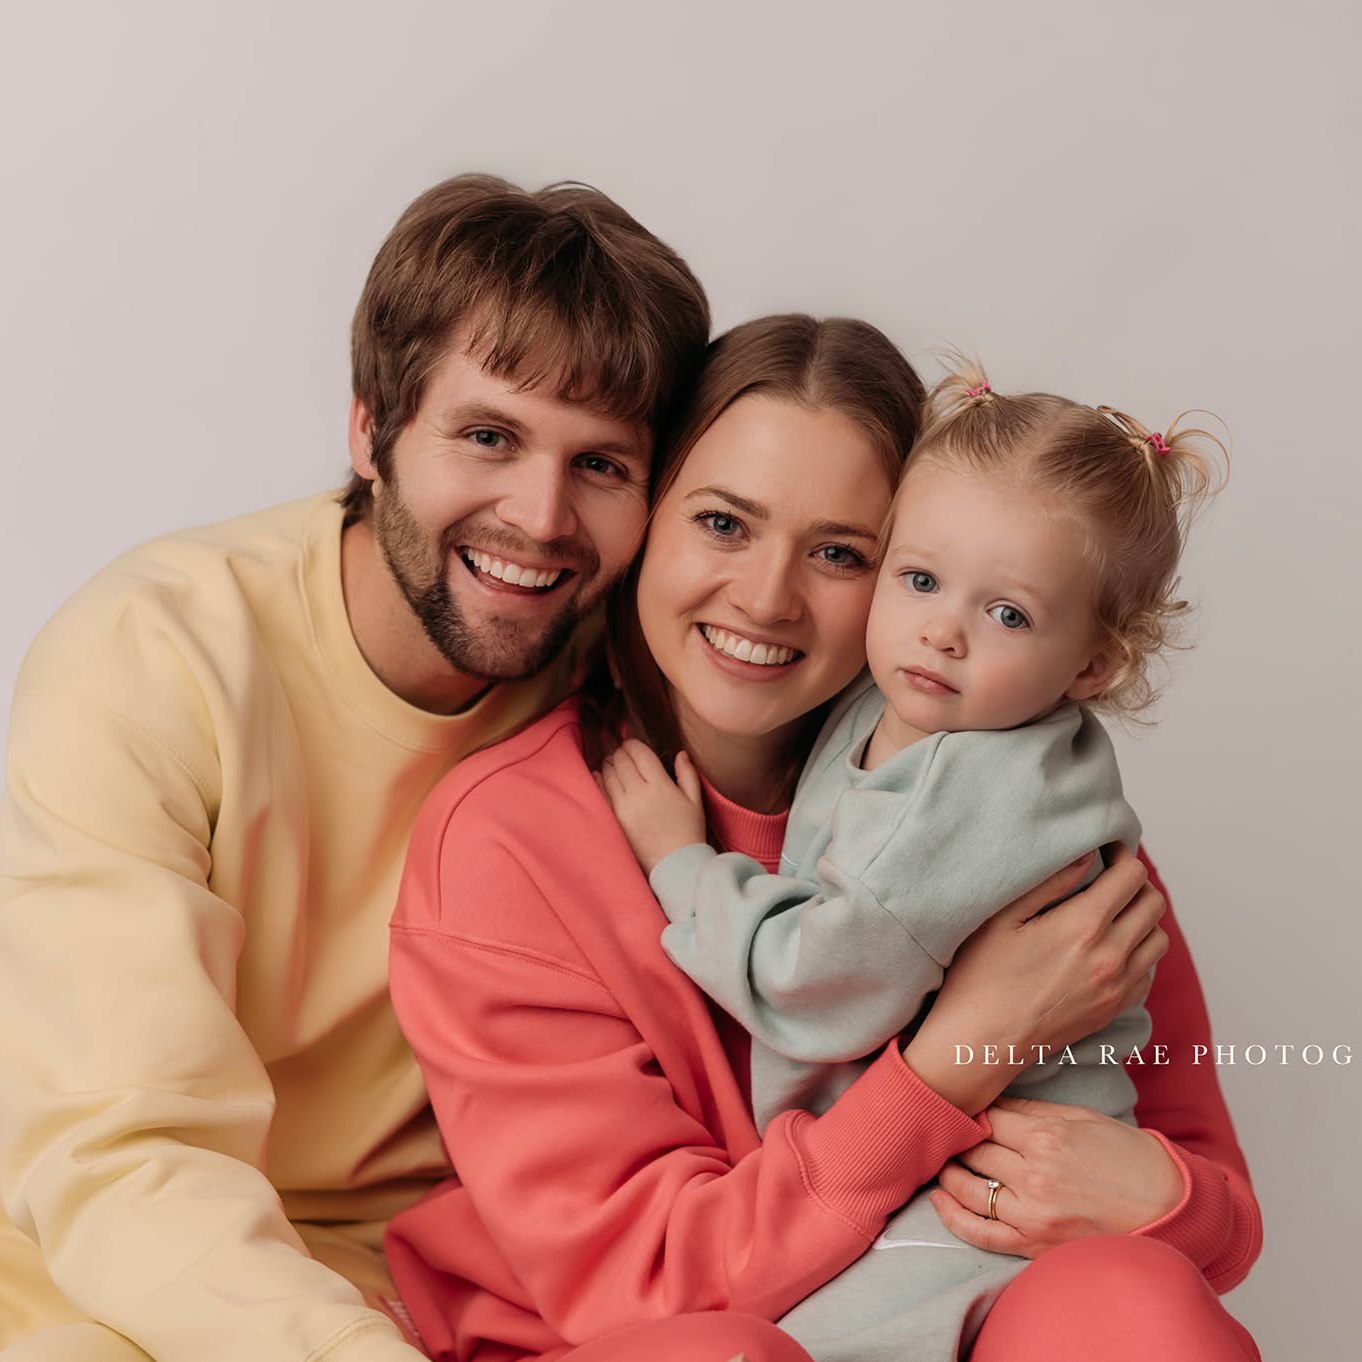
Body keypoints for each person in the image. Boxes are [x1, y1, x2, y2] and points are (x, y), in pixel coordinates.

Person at [384, 317, 1262, 1361]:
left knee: (1135, 1305)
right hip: (656, 1337)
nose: (765, 596)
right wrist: (947, 1066)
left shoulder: (1019, 823)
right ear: (644, 521)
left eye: (842, 552)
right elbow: (649, 1293)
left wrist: (1162, 1197)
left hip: (945, 1297)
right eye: (721, 523)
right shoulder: (511, 842)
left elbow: (1211, 1208)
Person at [0, 174, 716, 1362]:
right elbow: (120, 1157)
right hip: (112, 1272)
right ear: (370, 429)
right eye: (488, 437)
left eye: (602, 466)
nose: (540, 517)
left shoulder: (637, 680)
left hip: (463, 1285)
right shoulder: (153, 657)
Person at [597, 363, 1226, 1358]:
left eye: (1008, 614)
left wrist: (682, 866)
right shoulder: (918, 708)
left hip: (981, 1198)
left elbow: (814, 987)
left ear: (1094, 666)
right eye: (920, 579)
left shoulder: (966, 788)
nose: (942, 630)